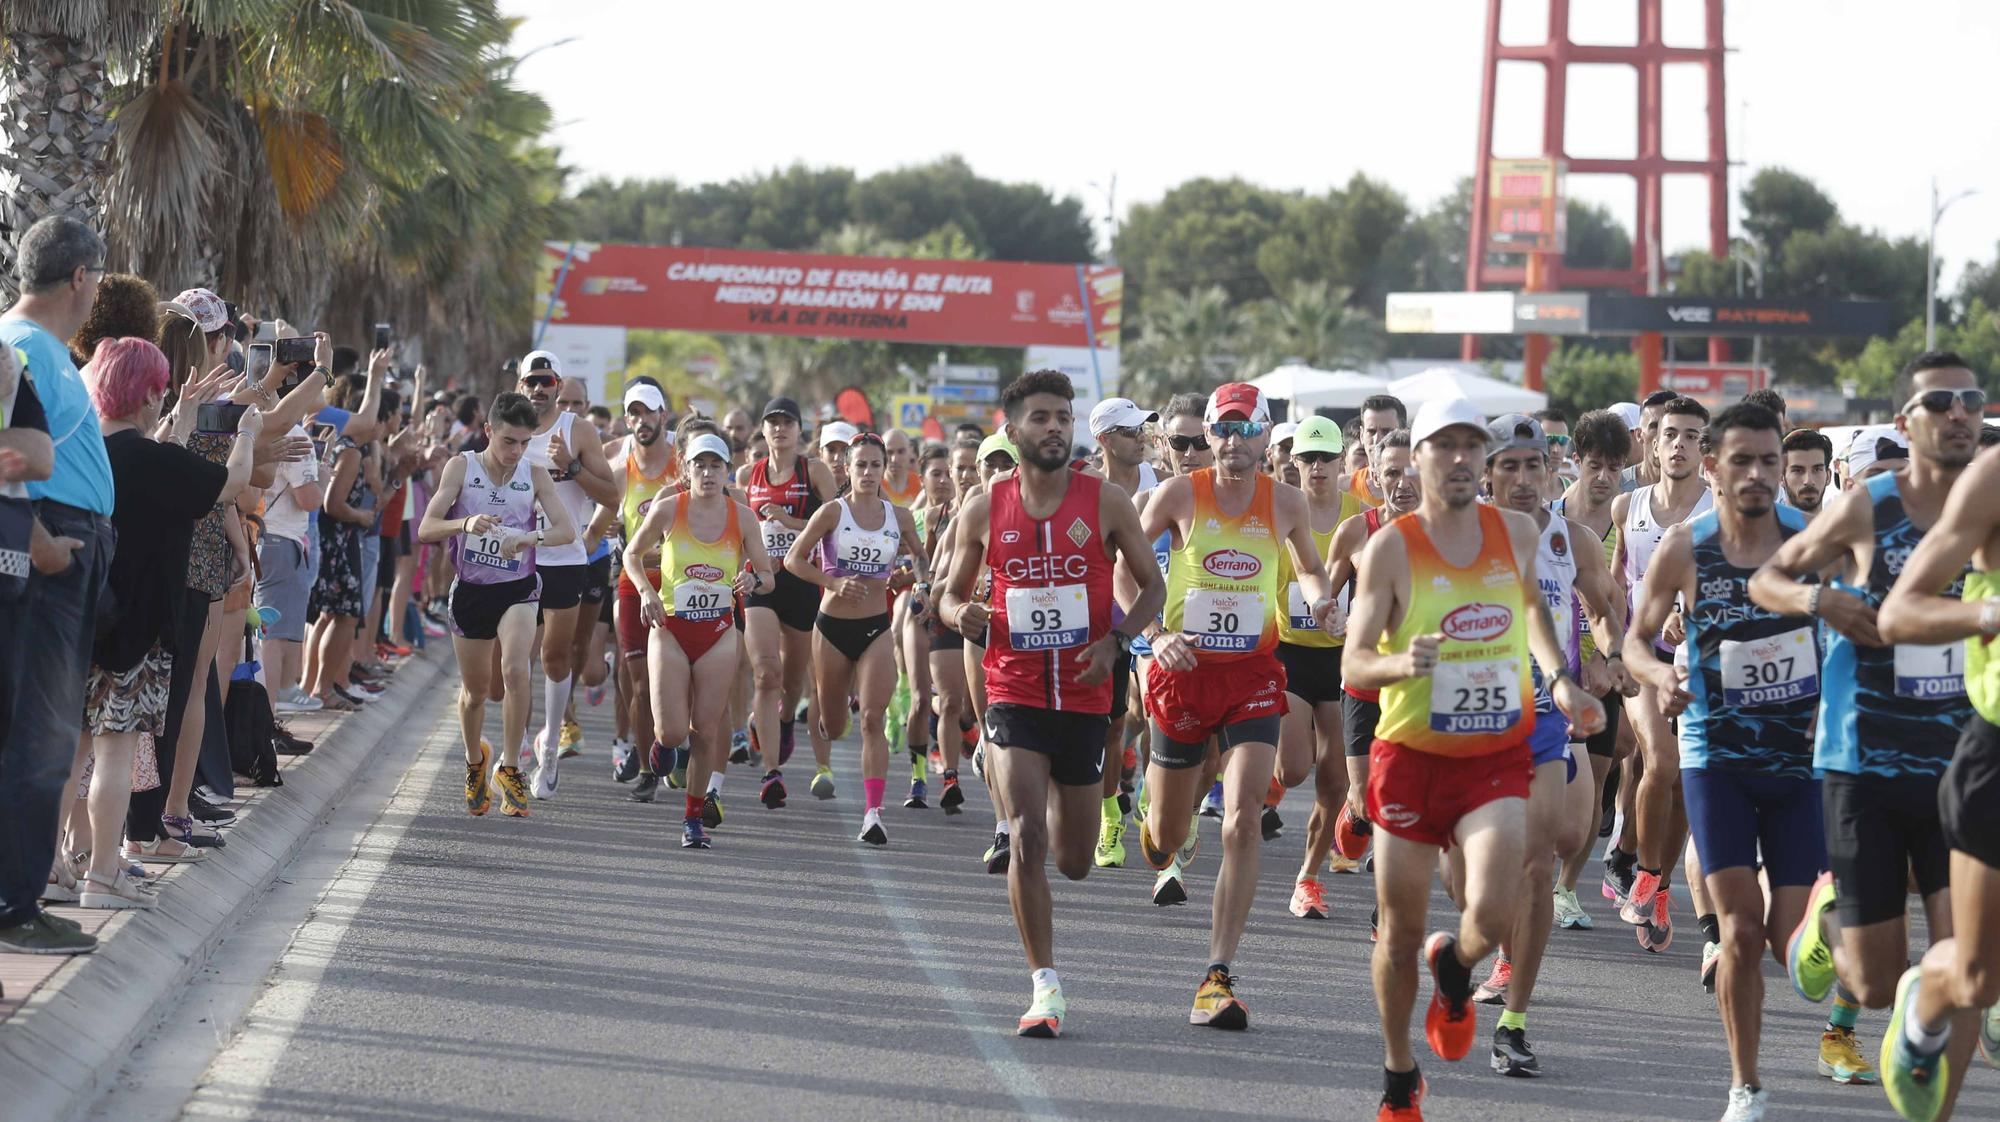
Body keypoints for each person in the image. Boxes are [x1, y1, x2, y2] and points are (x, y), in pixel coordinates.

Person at [1343, 395, 1603, 1122]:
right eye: (1444, 446)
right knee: (1397, 932)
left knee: (1492, 910)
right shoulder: (1392, 546)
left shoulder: (1515, 533)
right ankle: (1399, 1073)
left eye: (1470, 447)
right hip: (1411, 756)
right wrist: (1403, 665)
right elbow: (1358, 660)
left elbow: (1532, 613)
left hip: (1494, 753)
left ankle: (1457, 966)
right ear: (1416, 457)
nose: (1460, 459)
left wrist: (1559, 677)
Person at [1749, 351, 1985, 1098]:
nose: (1959, 413)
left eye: (1971, 400)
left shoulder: (1992, 505)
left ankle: (1929, 1097)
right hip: (1865, 762)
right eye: (1940, 401)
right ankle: (1824, 925)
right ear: (1903, 422)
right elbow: (1768, 577)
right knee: (1876, 982)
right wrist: (1820, 603)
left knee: (1968, 964)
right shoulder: (1868, 507)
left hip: (1962, 757)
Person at [939, 370, 1163, 1038]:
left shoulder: (1105, 502)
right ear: (1014, 430)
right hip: (1013, 691)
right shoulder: (983, 507)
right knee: (1027, 836)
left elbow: (1150, 588)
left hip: (1088, 698)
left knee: (1074, 859)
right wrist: (964, 616)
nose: (1055, 428)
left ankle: (1103, 795)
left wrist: (1117, 640)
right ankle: (1045, 986)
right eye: (1041, 418)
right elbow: (947, 596)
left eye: (1063, 417)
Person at [1622, 403, 1820, 1122]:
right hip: (1717, 758)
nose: (1761, 474)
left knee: (1787, 942)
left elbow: (1860, 634)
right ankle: (1746, 1085)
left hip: (1800, 764)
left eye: (1772, 461)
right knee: (1736, 930)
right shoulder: (1685, 547)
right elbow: (1636, 641)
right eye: (1744, 461)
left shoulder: (1813, 540)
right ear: (1714, 468)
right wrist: (1662, 675)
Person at [1135, 382, 1341, 1031]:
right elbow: (1126, 566)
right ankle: (1160, 820)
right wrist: (1155, 635)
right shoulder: (1179, 494)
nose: (1227, 441)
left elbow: (1309, 568)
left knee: (1243, 818)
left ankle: (1217, 974)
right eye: (1218, 430)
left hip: (1253, 672)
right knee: (1164, 840)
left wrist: (1320, 597)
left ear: (1263, 437)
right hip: (1184, 673)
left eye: (1240, 429)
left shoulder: (1284, 502)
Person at [73, 339, 259, 905]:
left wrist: (176, 421)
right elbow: (228, 485)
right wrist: (245, 432)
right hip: (139, 628)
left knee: (71, 749)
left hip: (78, 620)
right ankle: (104, 874)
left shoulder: (82, 450)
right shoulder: (157, 461)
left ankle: (61, 864)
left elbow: (152, 462)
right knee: (115, 750)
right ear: (152, 394)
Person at [1470, 413, 1627, 1076]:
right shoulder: (1455, 538)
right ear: (1487, 474)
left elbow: (1605, 610)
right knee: (1470, 888)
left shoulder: (1576, 541)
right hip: (1466, 721)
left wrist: (1610, 657)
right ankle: (1467, 956)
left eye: (1536, 465)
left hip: (1544, 717)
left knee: (1541, 860)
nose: (1526, 479)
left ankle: (1514, 1020)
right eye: (1511, 465)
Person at [1875, 422, 2000, 1122]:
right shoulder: (1993, 478)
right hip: (1996, 755)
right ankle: (1925, 997)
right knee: (1978, 976)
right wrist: (1989, 610)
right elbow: (1901, 609)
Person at [0, 216, 117, 956]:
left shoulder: (42, 349)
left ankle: (23, 896)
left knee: (47, 735)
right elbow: (15, 455)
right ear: (78, 277)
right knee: (39, 738)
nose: (98, 290)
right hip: (49, 557)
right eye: (97, 277)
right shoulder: (23, 346)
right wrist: (44, 547)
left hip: (66, 553)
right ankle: (16, 904)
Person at [417, 391, 576, 818]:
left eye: (525, 442)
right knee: (475, 692)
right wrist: (465, 522)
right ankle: (475, 761)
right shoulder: (461, 467)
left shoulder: (535, 474)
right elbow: (427, 528)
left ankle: (510, 766)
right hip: (471, 591)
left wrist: (529, 538)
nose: (516, 451)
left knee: (515, 668)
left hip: (518, 589)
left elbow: (565, 531)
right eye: (509, 441)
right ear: (488, 431)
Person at [625, 432, 773, 848]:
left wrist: (753, 578)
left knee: (705, 730)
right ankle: (663, 746)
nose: (708, 473)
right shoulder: (670, 508)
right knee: (672, 732)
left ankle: (693, 819)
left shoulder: (742, 517)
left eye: (716, 466)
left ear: (727, 471)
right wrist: (647, 592)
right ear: (687, 470)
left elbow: (769, 575)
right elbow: (631, 555)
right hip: (670, 628)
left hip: (718, 633)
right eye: (700, 465)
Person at [1607, 396, 1712, 949]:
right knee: (1660, 759)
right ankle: (1643, 874)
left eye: (1691, 436)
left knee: (1682, 786)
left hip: (1697, 657)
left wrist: (1687, 612)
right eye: (1670, 434)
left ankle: (1661, 886)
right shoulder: (1629, 507)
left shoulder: (1716, 511)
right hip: (1641, 651)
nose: (1679, 444)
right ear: (1652, 440)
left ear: (1704, 446)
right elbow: (1615, 584)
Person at [786, 433, 927, 843]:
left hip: (875, 629)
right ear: (847, 469)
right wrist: (832, 582)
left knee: (872, 719)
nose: (868, 472)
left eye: (875, 465)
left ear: (886, 470)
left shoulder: (898, 516)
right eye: (860, 465)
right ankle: (830, 719)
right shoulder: (832, 512)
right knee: (834, 723)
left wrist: (919, 583)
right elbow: (794, 559)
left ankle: (873, 814)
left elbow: (919, 555)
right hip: (831, 629)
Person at [1306, 428, 1420, 924]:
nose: (1402, 482)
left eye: (1411, 471)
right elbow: (1325, 599)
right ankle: (1353, 815)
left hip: (1418, 688)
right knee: (1365, 799)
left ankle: (1386, 909)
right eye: (1391, 472)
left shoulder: (1451, 535)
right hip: (1363, 684)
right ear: (1373, 477)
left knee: (1402, 800)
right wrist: (1332, 615)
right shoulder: (1357, 532)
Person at [513, 352, 618, 800]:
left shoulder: (578, 430)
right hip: (515, 559)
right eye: (531, 381)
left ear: (558, 386)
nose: (539, 389)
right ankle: (519, 740)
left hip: (563, 559)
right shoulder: (506, 427)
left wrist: (572, 466)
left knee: (555, 657)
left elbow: (613, 496)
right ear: (520, 386)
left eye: (546, 381)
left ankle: (548, 747)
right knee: (511, 665)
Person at [1550, 410, 1637, 931]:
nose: (1603, 477)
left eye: (1614, 467)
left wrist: (1610, 659)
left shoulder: (1626, 525)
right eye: (1595, 465)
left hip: (1601, 673)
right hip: (1548, 675)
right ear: (1576, 462)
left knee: (1595, 784)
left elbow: (1618, 604)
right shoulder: (1548, 517)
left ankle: (1564, 887)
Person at [1279, 416, 1366, 920]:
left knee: (1335, 783)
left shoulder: (1359, 516)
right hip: (1288, 652)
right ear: (1295, 461)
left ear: (1340, 462)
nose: (1316, 467)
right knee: (1291, 771)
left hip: (1340, 658)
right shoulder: (1280, 510)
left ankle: (1308, 877)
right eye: (1307, 458)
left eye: (1325, 458)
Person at [739, 397, 838, 807]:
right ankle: (771, 772)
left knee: (794, 683)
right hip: (762, 582)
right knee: (766, 674)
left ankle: (782, 722)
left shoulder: (813, 470)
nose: (779, 429)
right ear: (763, 431)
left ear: (800, 431)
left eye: (787, 423)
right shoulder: (749, 474)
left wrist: (789, 520)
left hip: (801, 585)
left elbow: (836, 521)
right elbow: (741, 529)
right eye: (772, 423)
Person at [1085, 396, 1160, 867]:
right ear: (1105, 440)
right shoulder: (1083, 490)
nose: (1141, 438)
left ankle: (1156, 803)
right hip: (1103, 626)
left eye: (1143, 430)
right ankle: (1110, 816)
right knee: (1112, 727)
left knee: (1158, 717)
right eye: (1131, 431)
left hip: (1149, 616)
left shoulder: (1161, 486)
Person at [605, 384, 677, 798]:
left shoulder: (683, 466)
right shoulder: (621, 471)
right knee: (637, 681)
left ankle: (669, 746)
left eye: (648, 413)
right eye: (634, 414)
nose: (642, 421)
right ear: (627, 419)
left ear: (662, 416)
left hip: (680, 584)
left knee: (677, 679)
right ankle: (650, 767)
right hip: (633, 582)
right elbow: (594, 523)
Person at [1343, 394, 1407, 507]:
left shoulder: (1421, 487)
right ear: (1362, 435)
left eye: (1386, 431)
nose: (1377, 439)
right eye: (1371, 431)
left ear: (1403, 433)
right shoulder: (1343, 488)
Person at [1781, 428, 1834, 517]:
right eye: (1798, 471)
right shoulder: (1764, 530)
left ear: (1828, 476)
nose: (1808, 481)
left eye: (1817, 470)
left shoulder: (1844, 530)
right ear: (1781, 477)